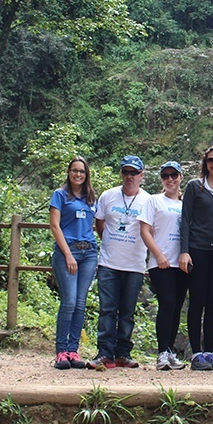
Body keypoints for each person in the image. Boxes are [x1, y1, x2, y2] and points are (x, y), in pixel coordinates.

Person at [89, 155, 150, 370]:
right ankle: (104, 353)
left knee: (127, 312)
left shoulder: (148, 200)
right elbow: (100, 223)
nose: (129, 176)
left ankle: (123, 353)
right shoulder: (108, 196)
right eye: (126, 172)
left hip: (134, 265)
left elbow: (151, 230)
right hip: (109, 263)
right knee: (107, 309)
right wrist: (111, 242)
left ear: (141, 175)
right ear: (121, 174)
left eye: (134, 173)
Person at [179, 146, 213, 371]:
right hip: (198, 250)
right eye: (210, 160)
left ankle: (210, 352)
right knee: (197, 300)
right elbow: (185, 220)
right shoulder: (195, 186)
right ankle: (196, 353)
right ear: (205, 163)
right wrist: (184, 251)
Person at [49, 157, 99, 370]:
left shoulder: (90, 198)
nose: (78, 174)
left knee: (80, 302)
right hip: (66, 252)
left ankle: (73, 350)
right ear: (69, 173)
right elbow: (55, 225)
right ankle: (61, 351)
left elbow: (94, 224)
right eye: (74, 171)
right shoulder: (60, 195)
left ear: (86, 175)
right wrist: (68, 254)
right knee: (68, 301)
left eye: (82, 171)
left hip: (88, 253)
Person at [139, 161, 188, 371]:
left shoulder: (187, 203)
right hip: (161, 262)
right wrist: (157, 255)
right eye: (166, 176)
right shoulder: (154, 201)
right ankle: (161, 353)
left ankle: (169, 351)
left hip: (183, 262)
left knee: (176, 307)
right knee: (167, 303)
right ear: (161, 179)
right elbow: (144, 230)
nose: (170, 179)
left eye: (173, 175)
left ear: (180, 177)